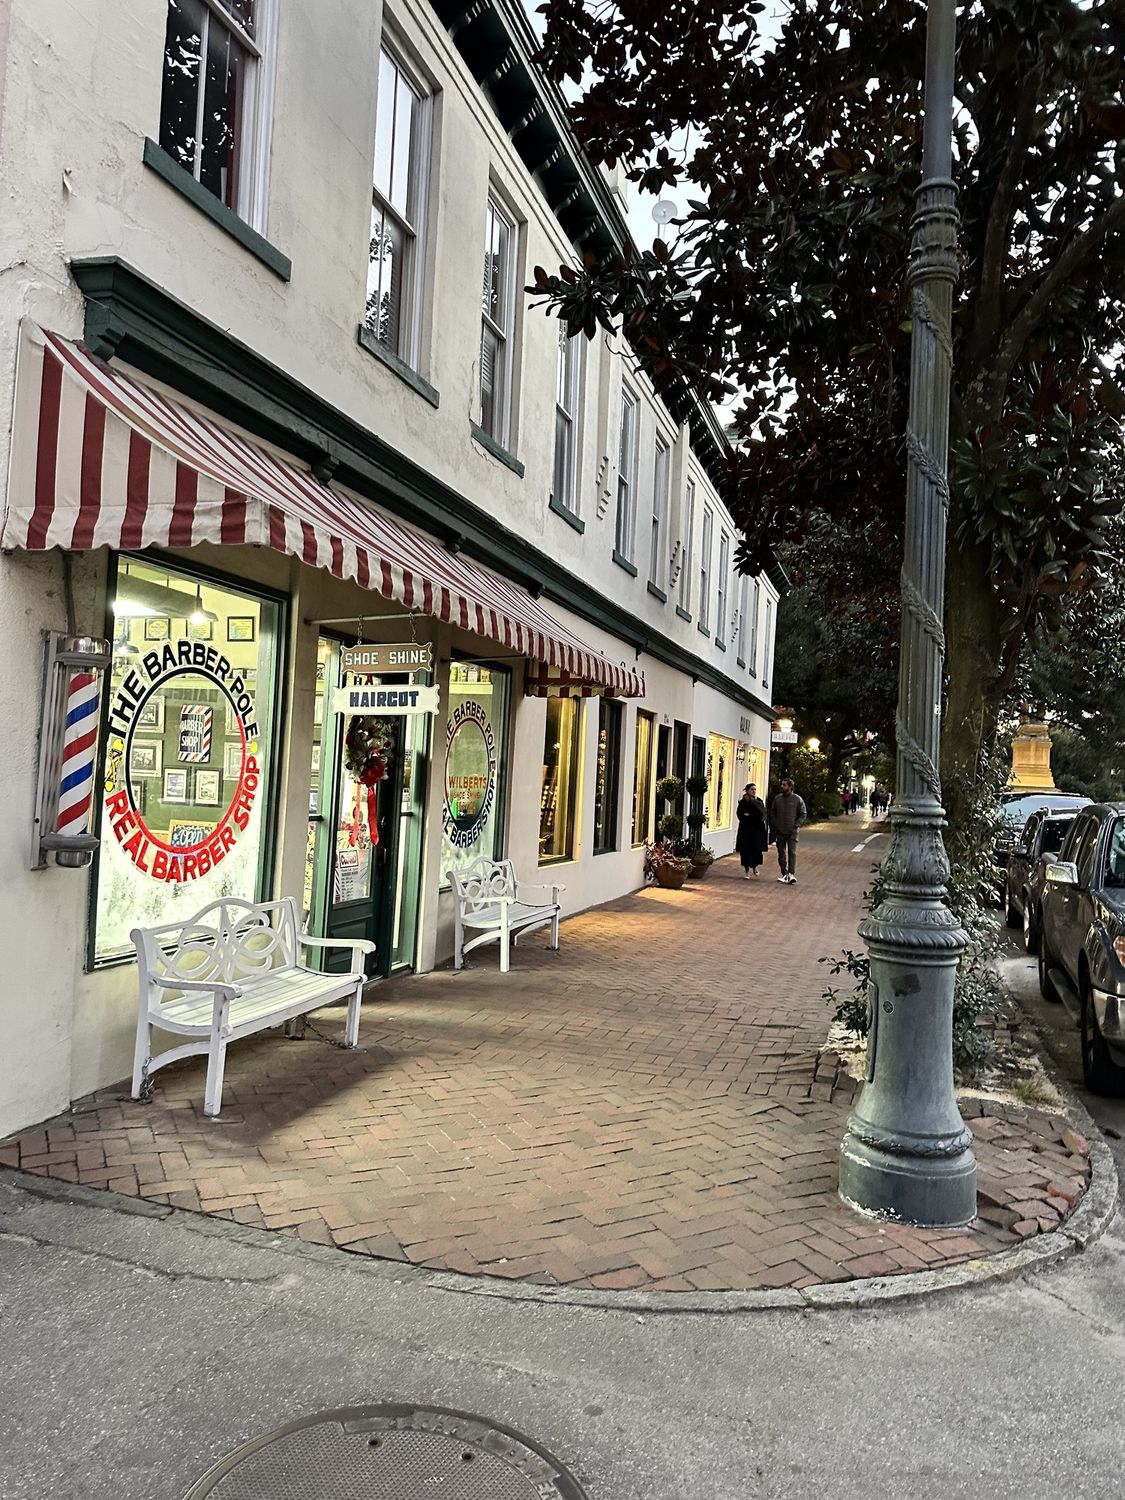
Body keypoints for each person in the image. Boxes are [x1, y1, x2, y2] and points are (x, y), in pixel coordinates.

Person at [768, 777, 807, 884]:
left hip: (792, 831)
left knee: (792, 853)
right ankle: (784, 873)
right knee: (781, 853)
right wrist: (775, 825)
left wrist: (796, 825)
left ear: (790, 786)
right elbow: (772, 812)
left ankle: (791, 874)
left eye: (784, 785)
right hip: (780, 831)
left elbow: (803, 814)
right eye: (782, 784)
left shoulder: (797, 799)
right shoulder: (777, 799)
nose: (782, 786)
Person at [735, 782, 768, 878]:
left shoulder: (759, 801)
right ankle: (746, 870)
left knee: (756, 848)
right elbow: (740, 814)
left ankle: (755, 867)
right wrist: (747, 816)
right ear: (747, 790)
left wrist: (754, 816)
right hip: (746, 829)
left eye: (755, 789)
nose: (754, 791)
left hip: (757, 829)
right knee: (745, 849)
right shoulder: (743, 802)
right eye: (752, 789)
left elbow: (763, 813)